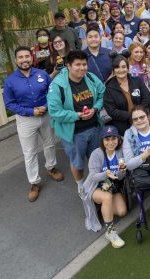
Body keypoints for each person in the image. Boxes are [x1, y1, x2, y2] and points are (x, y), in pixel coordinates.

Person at [3, 46, 64, 202]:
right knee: (29, 153)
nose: (24, 60)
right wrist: (31, 111)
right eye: (21, 57)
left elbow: (52, 92)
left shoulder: (42, 74)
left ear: (32, 57)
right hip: (25, 120)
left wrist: (48, 106)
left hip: (46, 115)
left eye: (27, 56)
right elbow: (9, 104)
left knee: (49, 144)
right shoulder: (10, 81)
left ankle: (51, 167)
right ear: (16, 60)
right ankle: (34, 182)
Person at [48, 50, 105, 194]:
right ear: (68, 65)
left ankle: (98, 184)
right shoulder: (57, 85)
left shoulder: (90, 78)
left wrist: (95, 108)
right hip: (73, 134)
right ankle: (80, 185)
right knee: (77, 163)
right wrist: (76, 115)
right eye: (77, 65)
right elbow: (54, 112)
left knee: (97, 159)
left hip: (94, 128)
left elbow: (102, 94)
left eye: (84, 64)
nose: (82, 68)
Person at [82, 126, 127, 247]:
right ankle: (110, 232)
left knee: (122, 211)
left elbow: (121, 177)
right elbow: (93, 177)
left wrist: (122, 171)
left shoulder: (121, 152)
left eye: (113, 139)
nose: (111, 142)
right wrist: (105, 173)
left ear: (118, 139)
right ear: (102, 141)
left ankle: (104, 209)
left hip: (113, 187)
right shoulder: (96, 153)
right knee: (106, 197)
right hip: (95, 187)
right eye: (107, 139)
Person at [103, 55, 150, 136]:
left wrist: (139, 114)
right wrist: (133, 116)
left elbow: (146, 98)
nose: (121, 70)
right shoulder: (109, 87)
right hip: (123, 127)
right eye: (117, 67)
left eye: (123, 67)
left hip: (142, 122)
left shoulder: (137, 81)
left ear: (128, 68)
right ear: (114, 70)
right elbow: (111, 110)